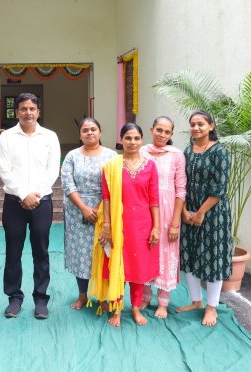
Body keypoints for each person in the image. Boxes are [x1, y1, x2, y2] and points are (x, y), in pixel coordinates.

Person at [0, 93, 60, 319]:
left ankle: (40, 299)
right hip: (14, 202)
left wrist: (36, 195)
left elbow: (53, 170)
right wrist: (23, 194)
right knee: (13, 251)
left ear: (38, 111)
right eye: (23, 109)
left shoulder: (49, 137)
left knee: (40, 251)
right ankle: (14, 298)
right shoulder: (7, 137)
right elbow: (4, 170)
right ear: (17, 112)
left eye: (32, 108)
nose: (28, 113)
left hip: (42, 202)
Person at [98, 123, 160, 327]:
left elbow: (153, 199)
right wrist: (107, 224)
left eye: (136, 138)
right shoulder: (111, 166)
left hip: (142, 224)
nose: (132, 142)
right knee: (118, 265)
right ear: (121, 139)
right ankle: (116, 308)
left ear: (142, 140)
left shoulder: (150, 166)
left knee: (138, 268)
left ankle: (135, 307)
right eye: (128, 138)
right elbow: (106, 198)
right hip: (119, 224)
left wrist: (156, 227)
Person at [176, 110, 232, 327]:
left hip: (213, 213)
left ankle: (211, 307)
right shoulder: (187, 151)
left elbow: (220, 188)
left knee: (212, 258)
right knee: (189, 254)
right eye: (192, 124)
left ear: (211, 126)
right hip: (188, 211)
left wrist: (200, 213)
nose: (196, 128)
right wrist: (185, 212)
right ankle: (196, 301)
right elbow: (181, 182)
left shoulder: (220, 152)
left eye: (201, 124)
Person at [61, 118, 116, 310]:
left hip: (105, 210)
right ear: (80, 134)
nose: (90, 133)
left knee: (103, 251)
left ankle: (103, 296)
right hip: (77, 211)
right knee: (81, 253)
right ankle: (83, 295)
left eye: (93, 129)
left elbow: (113, 184)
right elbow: (68, 184)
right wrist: (84, 208)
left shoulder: (111, 156)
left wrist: (99, 208)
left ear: (100, 132)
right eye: (85, 130)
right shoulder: (72, 156)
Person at [139, 116, 186, 319]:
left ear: (171, 134)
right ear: (151, 130)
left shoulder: (177, 155)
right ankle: (146, 296)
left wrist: (175, 222)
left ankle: (163, 303)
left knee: (166, 254)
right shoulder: (142, 151)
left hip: (168, 214)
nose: (162, 135)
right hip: (144, 210)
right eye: (159, 130)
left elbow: (181, 190)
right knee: (146, 251)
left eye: (167, 132)